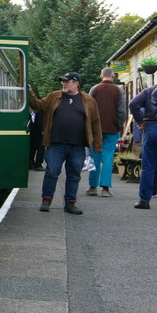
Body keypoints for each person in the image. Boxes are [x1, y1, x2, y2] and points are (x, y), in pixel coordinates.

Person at [29, 72, 102, 215]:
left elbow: (95, 123)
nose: (64, 83)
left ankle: (70, 203)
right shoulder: (54, 96)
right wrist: (29, 93)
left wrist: (97, 145)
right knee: (52, 171)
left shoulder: (88, 100)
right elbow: (37, 106)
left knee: (74, 174)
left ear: (76, 83)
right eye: (63, 81)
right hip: (56, 143)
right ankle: (46, 200)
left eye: (67, 81)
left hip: (78, 145)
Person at [129, 70, 157, 209]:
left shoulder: (148, 91)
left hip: (151, 128)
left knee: (148, 166)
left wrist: (140, 121)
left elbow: (133, 104)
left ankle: (144, 200)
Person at [86, 67, 126, 197]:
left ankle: (92, 187)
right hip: (112, 128)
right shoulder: (118, 90)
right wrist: (119, 125)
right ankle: (105, 189)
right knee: (108, 158)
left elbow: (88, 108)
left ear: (101, 76)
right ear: (113, 76)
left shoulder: (94, 89)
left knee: (95, 156)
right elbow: (122, 111)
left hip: (95, 129)